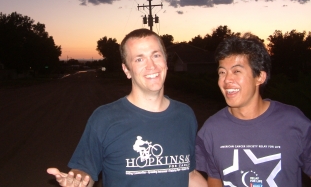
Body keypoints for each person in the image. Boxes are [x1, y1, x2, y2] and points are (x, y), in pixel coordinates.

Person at [48, 28, 207, 187]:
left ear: (165, 62)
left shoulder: (185, 115)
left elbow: (189, 174)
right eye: (139, 59)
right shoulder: (104, 118)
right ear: (127, 70)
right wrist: (76, 181)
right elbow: (84, 172)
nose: (151, 65)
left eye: (156, 55)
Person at [195, 33, 311, 187]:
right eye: (222, 72)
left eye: (236, 71)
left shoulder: (294, 122)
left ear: (260, 77)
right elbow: (214, 178)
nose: (226, 79)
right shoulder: (211, 129)